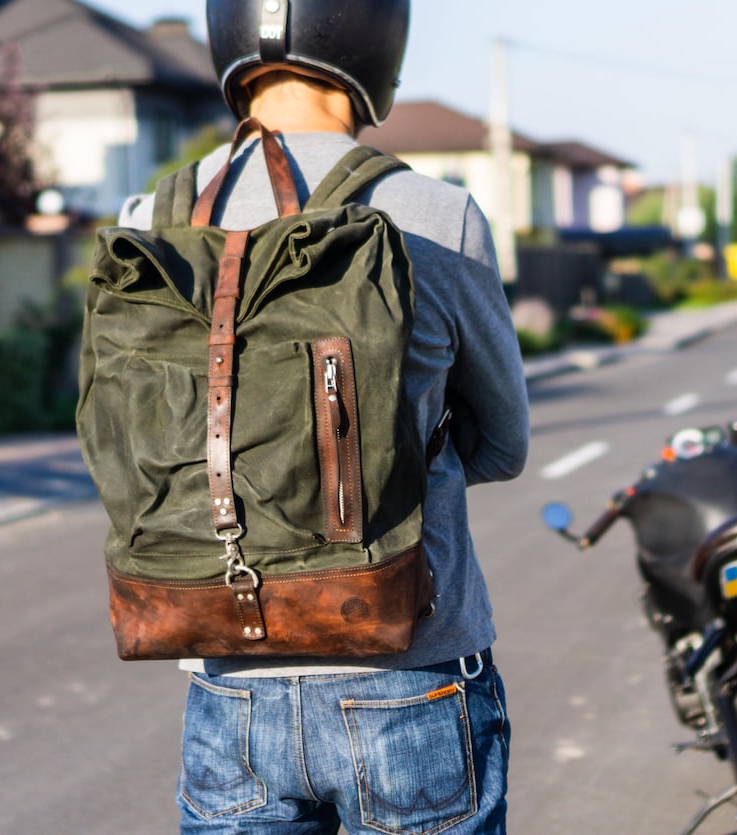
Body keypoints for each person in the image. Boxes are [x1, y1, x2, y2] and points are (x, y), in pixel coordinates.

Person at [117, 2, 530, 832]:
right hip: (408, 668)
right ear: (378, 39)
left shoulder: (150, 222)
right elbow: (503, 444)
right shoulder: (433, 214)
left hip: (228, 680)